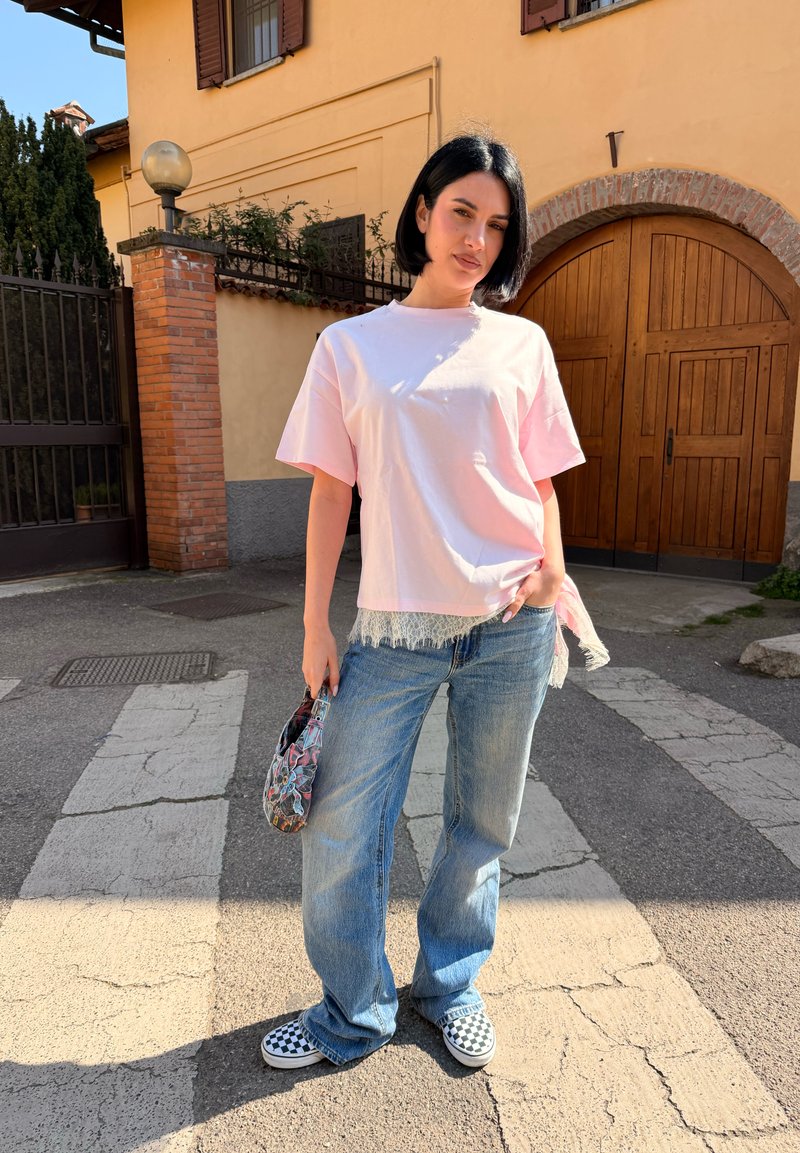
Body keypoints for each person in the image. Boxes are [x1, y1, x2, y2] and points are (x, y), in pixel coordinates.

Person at [261, 134, 607, 1071]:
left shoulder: (521, 343)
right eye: (461, 213)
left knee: (482, 824)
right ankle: (355, 1009)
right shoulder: (350, 346)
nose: (476, 241)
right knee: (341, 826)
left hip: (510, 626)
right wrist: (312, 625)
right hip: (392, 630)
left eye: (497, 226)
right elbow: (331, 489)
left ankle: (449, 984)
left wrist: (549, 574)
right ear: (421, 211)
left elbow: (542, 481)